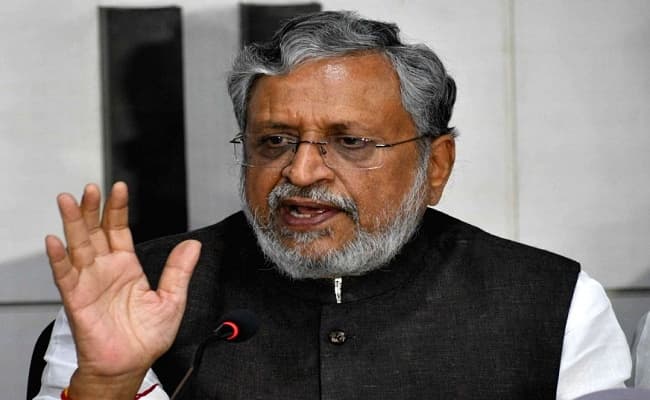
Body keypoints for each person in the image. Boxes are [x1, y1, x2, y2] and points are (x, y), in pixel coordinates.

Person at [36, 11, 631, 400]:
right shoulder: (128, 295)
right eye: (275, 141)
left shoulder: (553, 303)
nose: (301, 172)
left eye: (350, 142)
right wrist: (108, 383)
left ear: (436, 165)